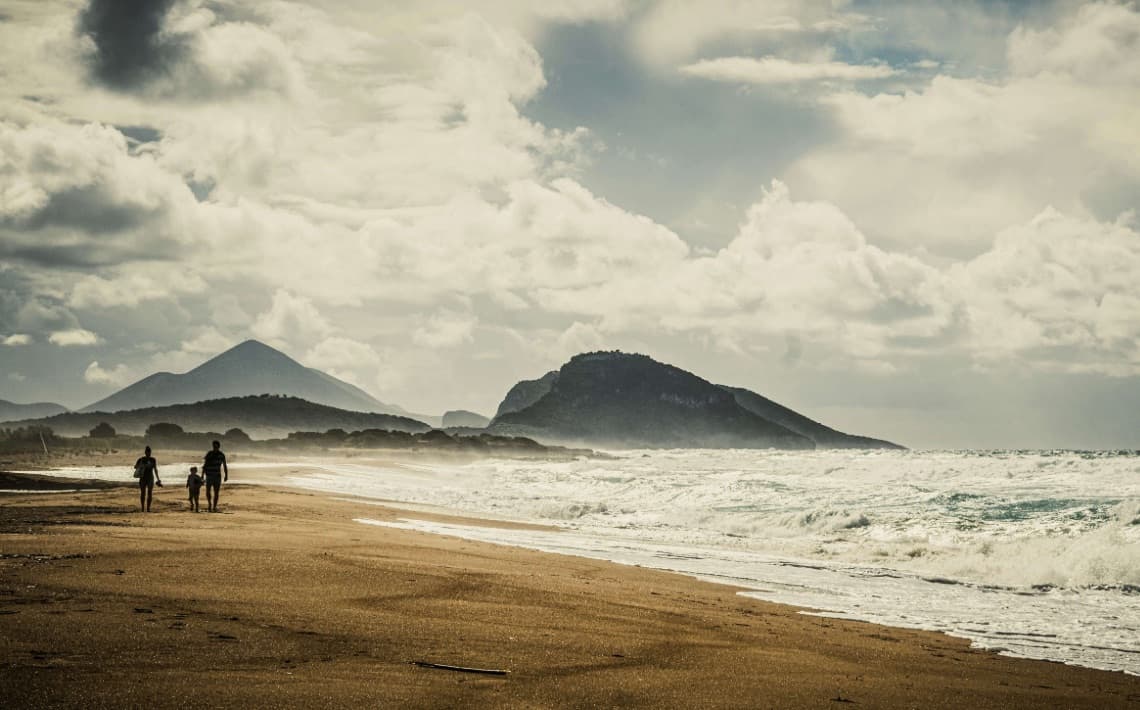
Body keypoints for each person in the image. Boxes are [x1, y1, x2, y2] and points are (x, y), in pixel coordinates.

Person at [202, 440, 228, 513]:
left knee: (216, 492)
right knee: (208, 491)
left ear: (218, 446)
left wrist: (226, 475)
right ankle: (210, 504)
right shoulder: (209, 454)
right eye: (213, 446)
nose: (215, 447)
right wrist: (202, 475)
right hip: (209, 475)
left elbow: (225, 465)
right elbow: (205, 465)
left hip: (217, 476)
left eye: (216, 446)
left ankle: (214, 506)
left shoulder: (221, 455)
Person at [134, 446, 161, 513]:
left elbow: (155, 469)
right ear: (145, 452)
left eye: (149, 453)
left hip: (150, 478)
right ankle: (143, 508)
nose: (148, 454)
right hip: (143, 477)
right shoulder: (141, 459)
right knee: (143, 493)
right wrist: (142, 465)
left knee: (149, 493)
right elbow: (135, 467)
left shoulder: (153, 459)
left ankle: (148, 508)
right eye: (147, 452)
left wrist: (158, 479)